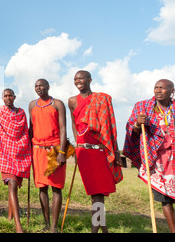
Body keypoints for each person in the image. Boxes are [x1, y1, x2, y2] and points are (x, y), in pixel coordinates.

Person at [68, 70, 123, 233]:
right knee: (94, 193)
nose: (78, 81)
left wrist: (117, 152)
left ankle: (96, 229)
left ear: (89, 80)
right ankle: (103, 229)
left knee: (98, 193)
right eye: (75, 79)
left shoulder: (102, 99)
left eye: (81, 78)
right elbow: (74, 124)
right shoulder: (72, 101)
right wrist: (77, 145)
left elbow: (110, 128)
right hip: (84, 152)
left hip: (100, 151)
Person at [123, 79, 175, 233]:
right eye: (156, 88)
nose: (158, 91)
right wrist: (138, 124)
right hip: (156, 160)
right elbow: (133, 132)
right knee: (165, 200)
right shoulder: (143, 107)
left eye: (162, 88)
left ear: (172, 91)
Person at [0, 88, 32, 233]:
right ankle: (18, 226)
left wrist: (25, 150)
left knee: (14, 186)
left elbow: (25, 133)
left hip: (19, 153)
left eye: (10, 95)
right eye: (5, 96)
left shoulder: (21, 113)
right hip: (4, 154)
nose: (8, 98)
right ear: (2, 98)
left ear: (14, 97)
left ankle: (9, 217)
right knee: (12, 185)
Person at [28, 79, 67, 233]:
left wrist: (62, 152)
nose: (38, 88)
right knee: (42, 188)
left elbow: (63, 128)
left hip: (55, 149)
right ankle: (46, 223)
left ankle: (54, 227)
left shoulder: (57, 104)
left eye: (41, 85)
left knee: (56, 188)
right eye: (36, 86)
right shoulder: (32, 105)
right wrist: (28, 151)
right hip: (37, 149)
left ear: (48, 87)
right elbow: (31, 129)